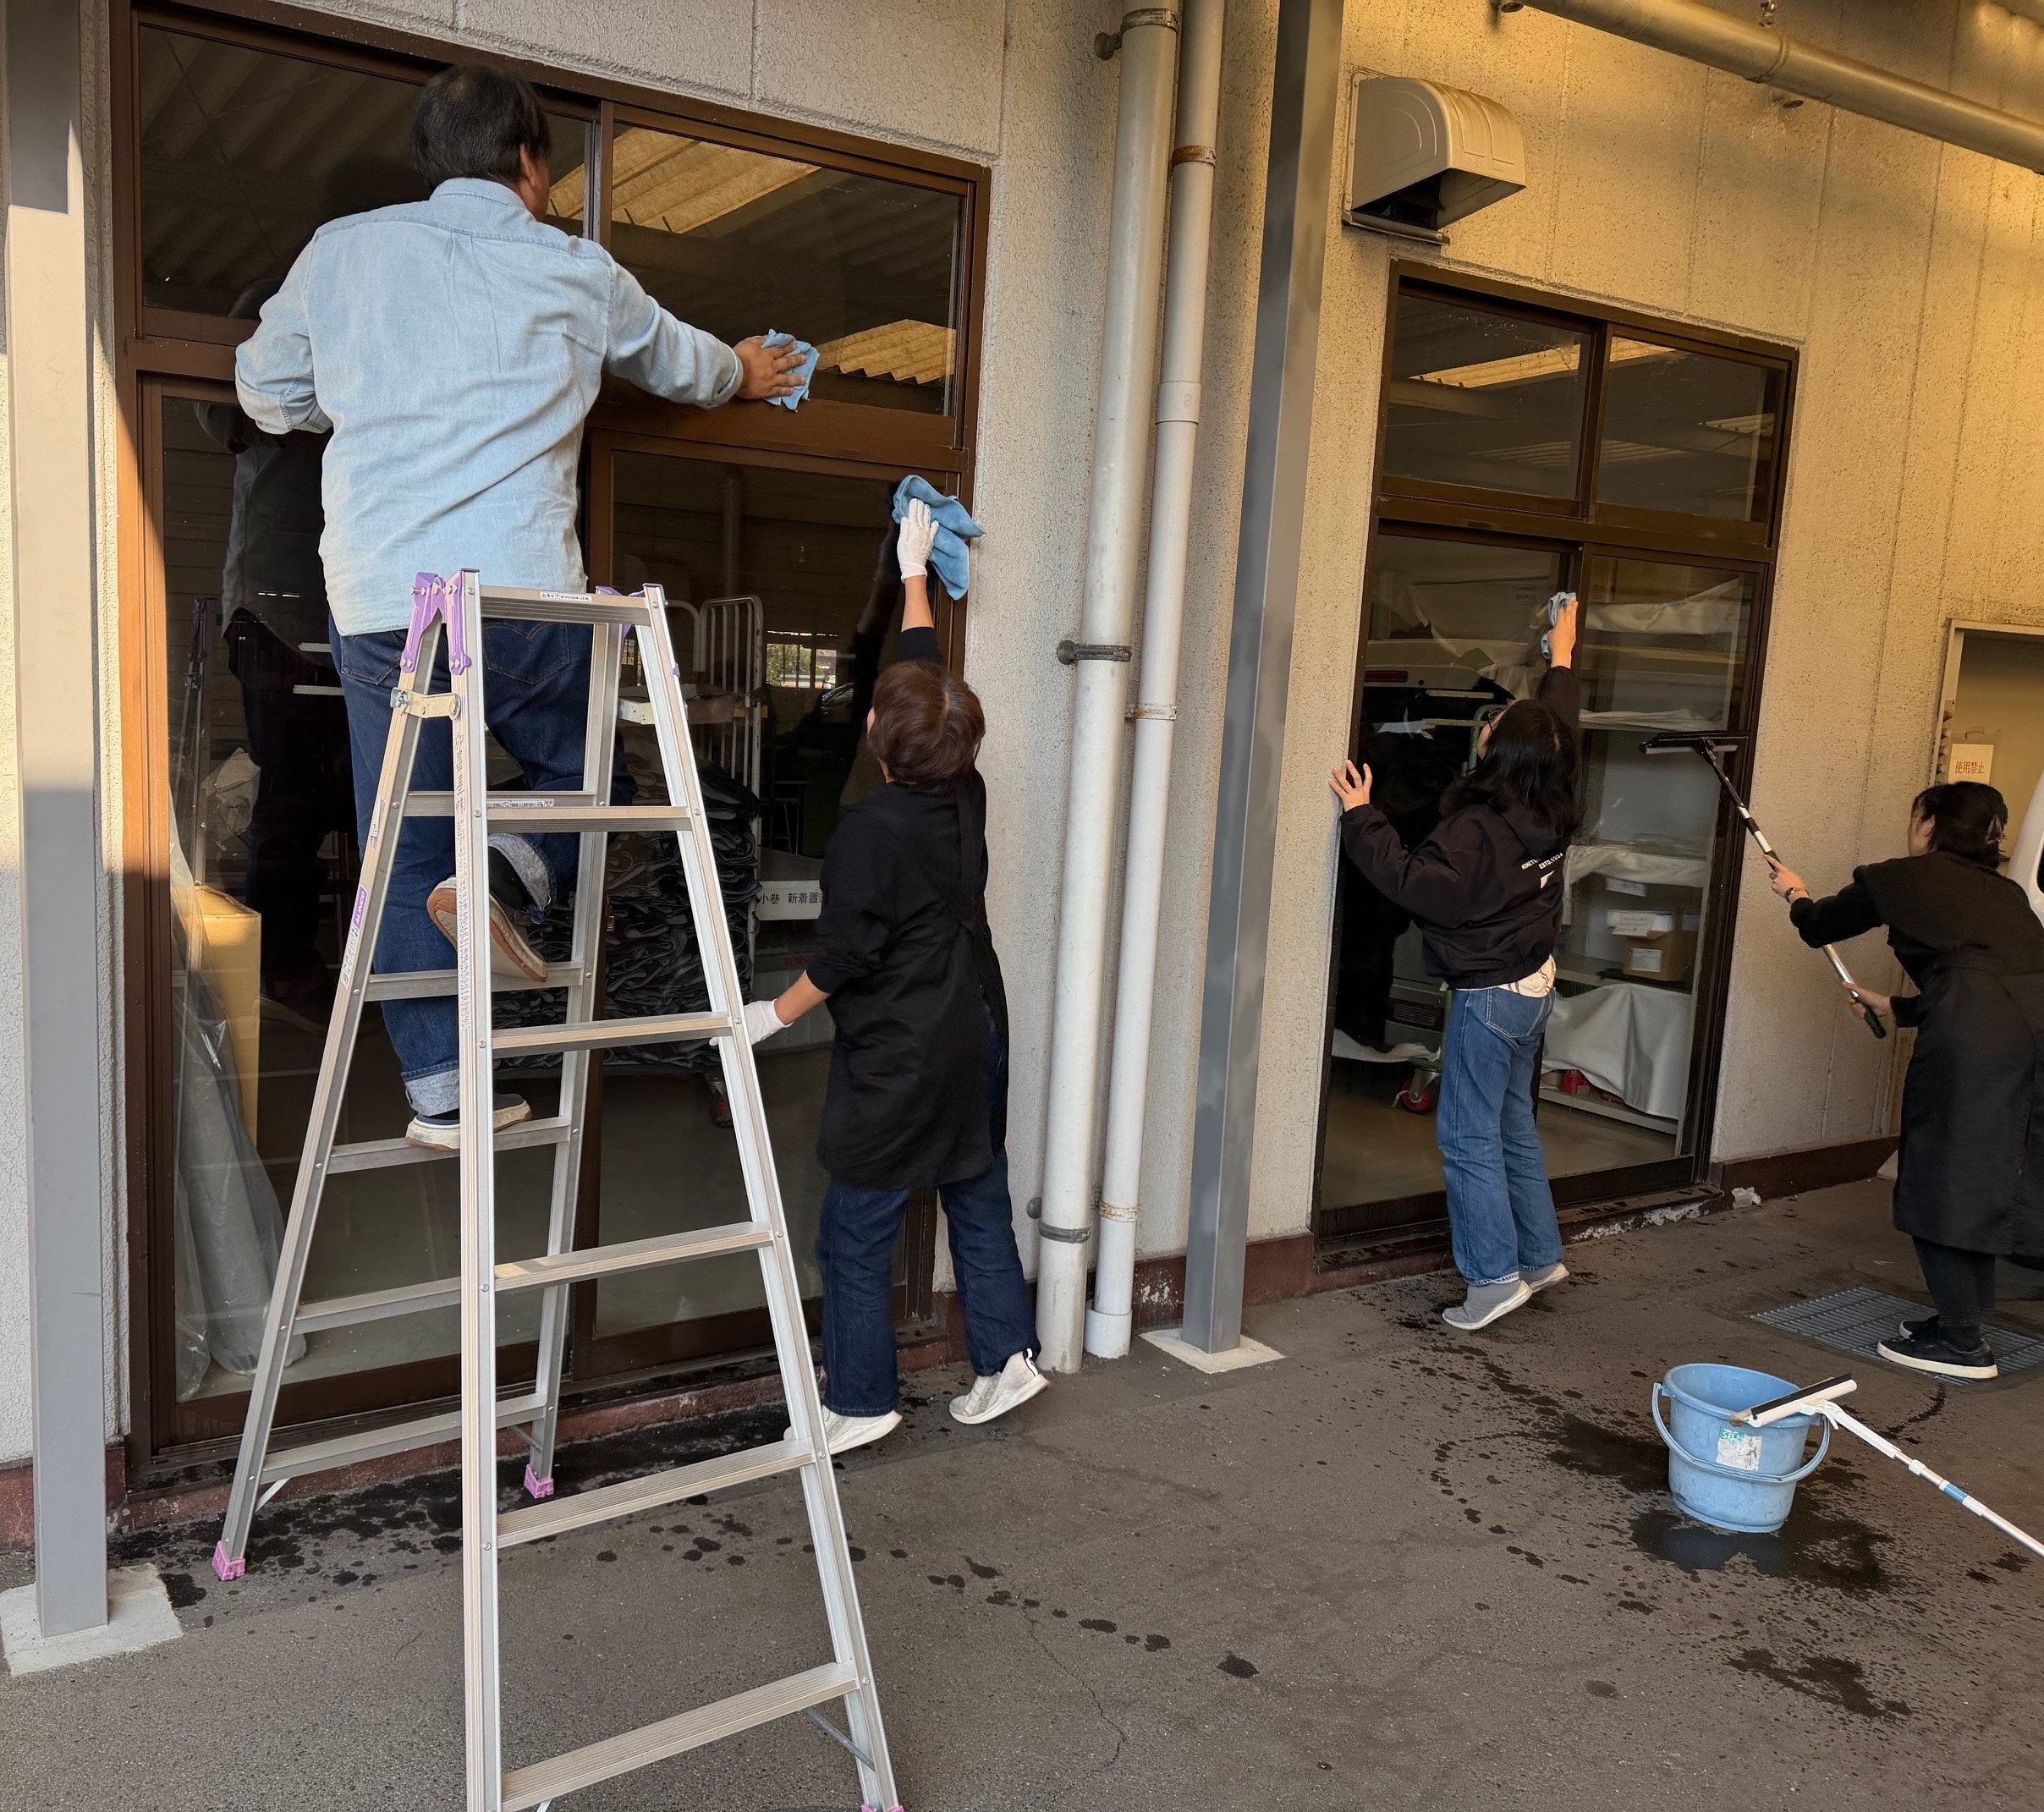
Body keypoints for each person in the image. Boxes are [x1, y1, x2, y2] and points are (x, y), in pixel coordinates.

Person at [234, 62, 804, 1148]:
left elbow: (265, 391)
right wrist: (745, 369)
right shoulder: (575, 269)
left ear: (429, 163)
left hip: (387, 606)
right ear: (532, 162)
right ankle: (499, 876)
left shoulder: (342, 254)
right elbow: (684, 365)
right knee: (590, 785)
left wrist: (351, 402)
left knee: (404, 839)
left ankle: (441, 1093)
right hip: (523, 598)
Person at [741, 500, 1044, 1453]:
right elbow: (926, 683)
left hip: (905, 1050)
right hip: (975, 1023)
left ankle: (864, 1399)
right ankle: (1007, 1359)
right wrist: (913, 574)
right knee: (976, 1192)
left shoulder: (869, 831)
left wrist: (767, 1015)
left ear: (876, 736)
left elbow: (842, 959)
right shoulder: (965, 783)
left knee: (856, 1229)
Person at [1329, 595, 1582, 1330]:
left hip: (1491, 993)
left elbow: (1416, 886)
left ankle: (1493, 1280)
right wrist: (1562, 656)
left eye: (1497, 725)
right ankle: (1539, 1256)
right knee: (1513, 1126)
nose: (1488, 724)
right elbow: (1559, 722)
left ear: (1504, 753)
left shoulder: (1478, 829)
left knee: (1468, 1138)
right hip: (1534, 985)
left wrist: (1362, 816)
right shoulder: (1555, 794)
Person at [1769, 781, 2044, 1381]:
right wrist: (1897, 1007)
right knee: (1979, 1177)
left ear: (1930, 824)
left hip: (1971, 1050)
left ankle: (1963, 1343)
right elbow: (1986, 981)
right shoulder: (2007, 896)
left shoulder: (1904, 878)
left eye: (1917, 816)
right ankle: (1957, 1318)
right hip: (2025, 1045)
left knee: (1940, 1179)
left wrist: (1796, 894)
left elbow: (1819, 926)